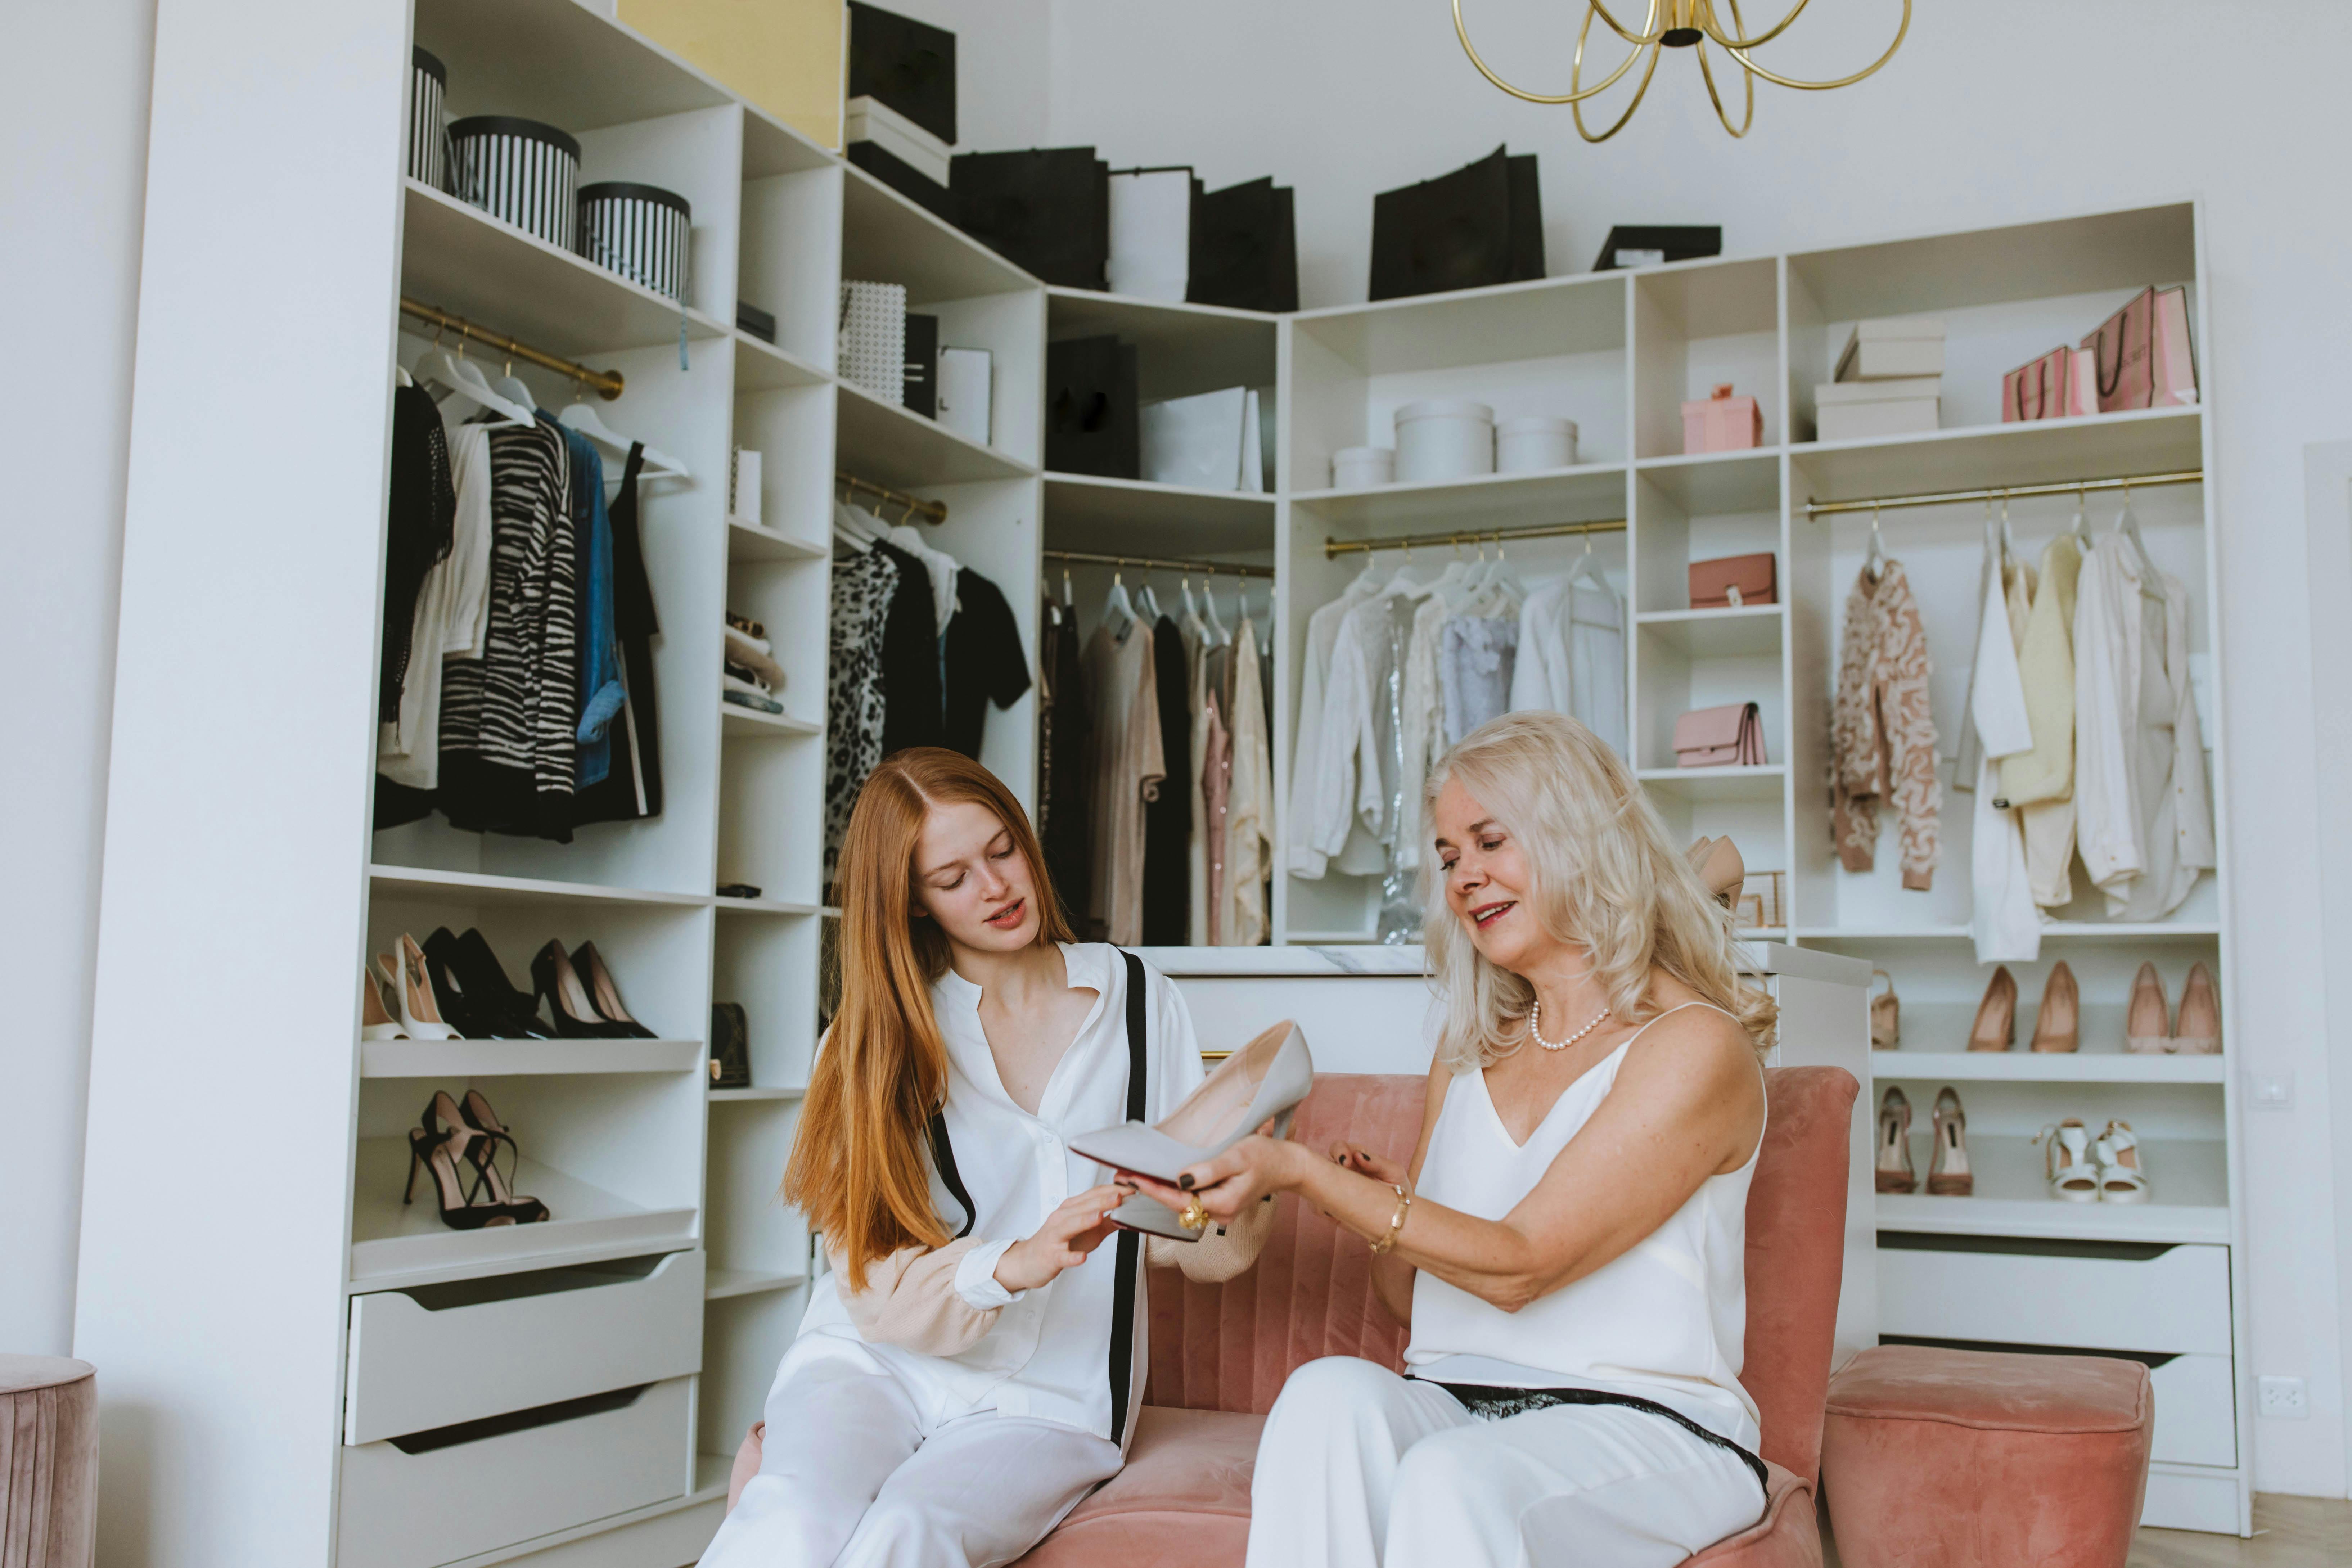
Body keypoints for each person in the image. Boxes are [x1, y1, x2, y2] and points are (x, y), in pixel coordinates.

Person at [1123, 711, 1776, 1568]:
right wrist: (1402, 1208)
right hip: (1460, 1404)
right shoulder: (1471, 1049)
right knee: (1326, 1397)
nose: (1465, 876)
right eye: (1448, 858)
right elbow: (1406, 1298)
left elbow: (1524, 1265)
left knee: (1451, 1480)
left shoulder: (1693, 1046)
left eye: (1491, 841)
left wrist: (1306, 1174)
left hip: (1647, 1426)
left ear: (1578, 834)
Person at [699, 748, 1272, 1568]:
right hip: (876, 1361)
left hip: (1053, 1398)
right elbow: (870, 1279)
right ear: (914, 903)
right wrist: (1016, 1262)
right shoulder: (867, 1046)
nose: (997, 889)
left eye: (1002, 851)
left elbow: (1198, 1240)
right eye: (954, 877)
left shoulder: (1141, 1001)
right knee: (789, 1514)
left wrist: (1252, 1178)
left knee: (911, 1532)